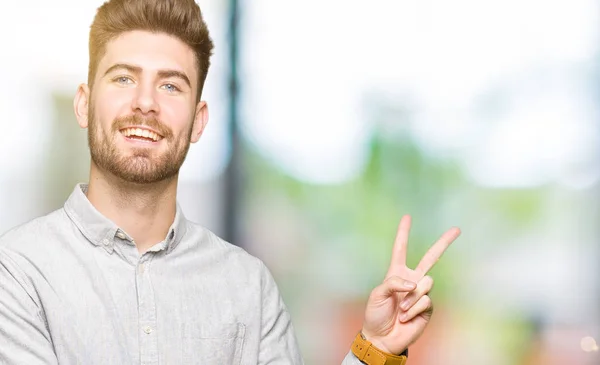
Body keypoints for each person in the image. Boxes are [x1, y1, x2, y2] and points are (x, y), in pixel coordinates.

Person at [0, 0, 461, 364]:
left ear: (199, 121)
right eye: (123, 78)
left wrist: (375, 349)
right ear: (84, 104)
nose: (145, 103)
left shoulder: (248, 286)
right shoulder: (18, 273)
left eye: (171, 86)